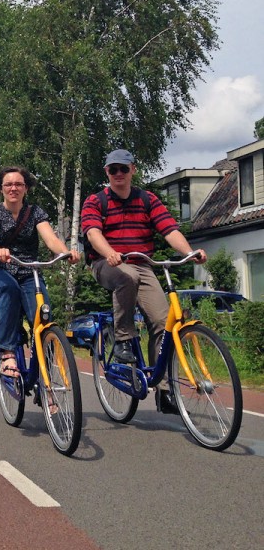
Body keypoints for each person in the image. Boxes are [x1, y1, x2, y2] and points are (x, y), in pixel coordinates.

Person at [81, 149, 207, 414]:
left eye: (123, 169)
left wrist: (189, 252)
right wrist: (109, 253)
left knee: (164, 323)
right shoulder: (96, 201)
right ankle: (124, 339)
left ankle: (163, 390)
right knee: (126, 277)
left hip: (143, 264)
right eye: (113, 169)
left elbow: (169, 229)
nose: (118, 174)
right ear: (107, 172)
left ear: (132, 170)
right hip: (107, 263)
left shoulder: (147, 199)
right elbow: (93, 233)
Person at [0, 166, 80, 379]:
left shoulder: (35, 212)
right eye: (8, 184)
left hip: (29, 271)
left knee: (42, 314)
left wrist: (66, 253)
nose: (13, 188)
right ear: (1, 189)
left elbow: (51, 239)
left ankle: (44, 374)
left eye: (18, 184)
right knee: (9, 289)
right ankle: (8, 353)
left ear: (26, 188)